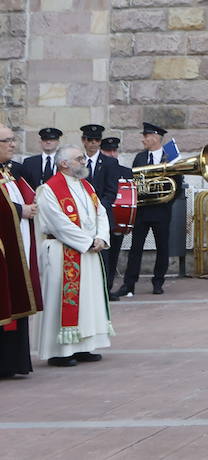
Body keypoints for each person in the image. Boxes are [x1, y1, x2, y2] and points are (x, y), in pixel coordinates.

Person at [33, 147, 114, 366]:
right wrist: (87, 242)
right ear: (64, 164)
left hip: (89, 251)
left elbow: (101, 213)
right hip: (63, 251)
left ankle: (84, 347)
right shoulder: (49, 189)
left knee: (88, 300)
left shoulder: (86, 185)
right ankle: (60, 351)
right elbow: (59, 224)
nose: (84, 161)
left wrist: (100, 237)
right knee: (63, 300)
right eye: (79, 159)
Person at [114, 123, 178, 298]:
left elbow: (177, 186)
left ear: (155, 138)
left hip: (161, 211)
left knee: (162, 248)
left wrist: (165, 202)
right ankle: (129, 284)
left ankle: (158, 282)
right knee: (136, 249)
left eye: (146, 136)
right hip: (142, 212)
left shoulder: (170, 158)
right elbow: (135, 183)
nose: (143, 139)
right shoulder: (140, 158)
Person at [1, 123, 41, 379]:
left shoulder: (11, 172)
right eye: (6, 141)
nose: (13, 144)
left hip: (18, 247)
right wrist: (20, 211)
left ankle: (15, 362)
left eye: (13, 139)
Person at [92, 137, 126, 292]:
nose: (112, 154)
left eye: (115, 150)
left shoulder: (124, 170)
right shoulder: (87, 164)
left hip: (112, 217)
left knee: (111, 255)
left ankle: (108, 288)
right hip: (91, 218)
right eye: (108, 151)